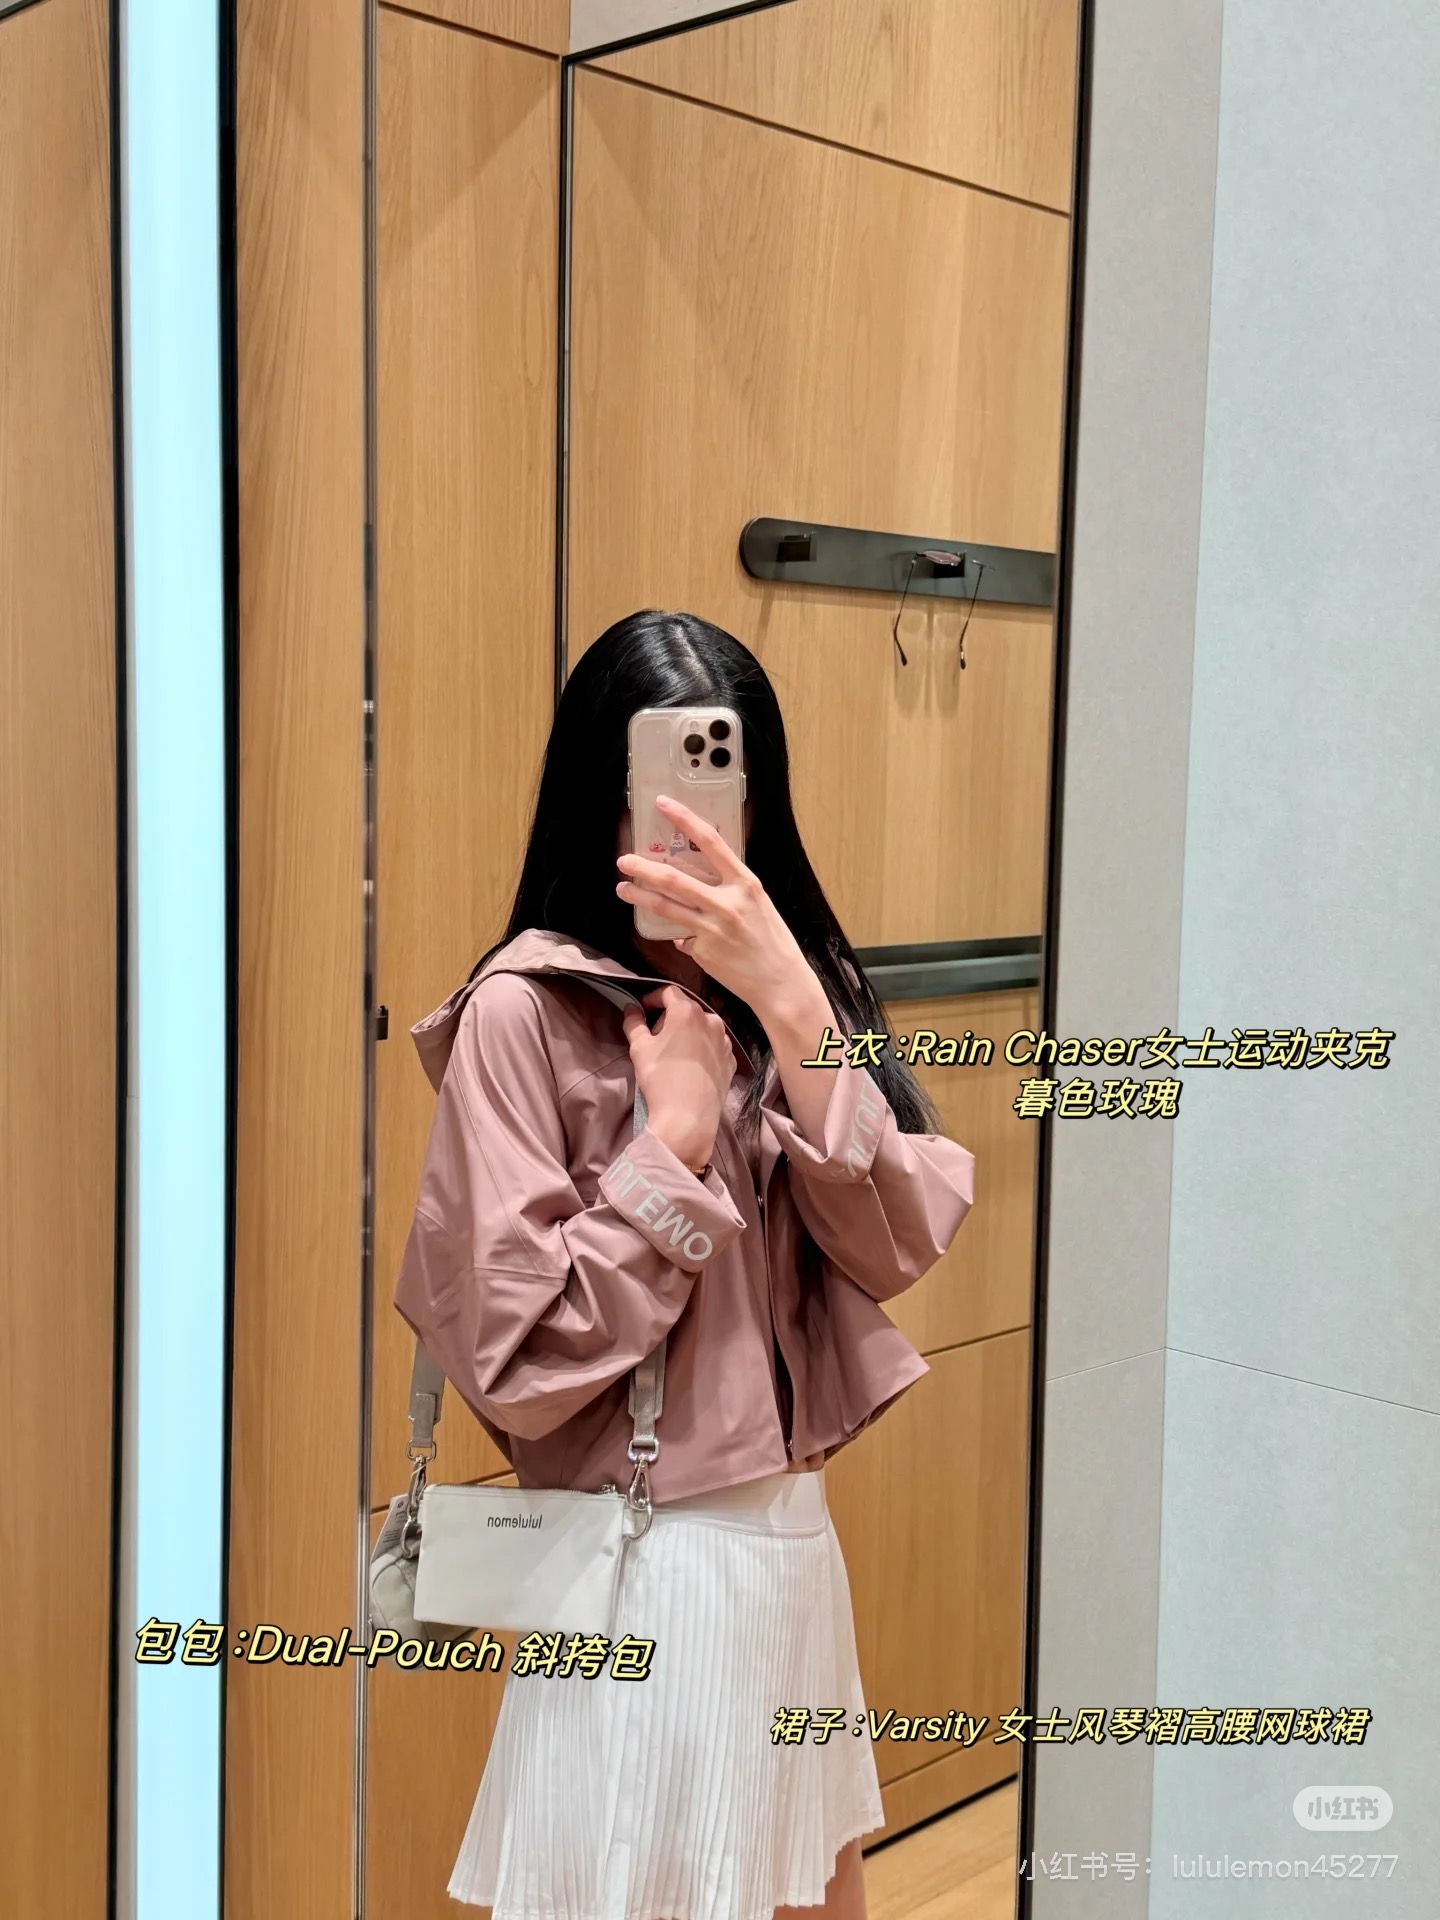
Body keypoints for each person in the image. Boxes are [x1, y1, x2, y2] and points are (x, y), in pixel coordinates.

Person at [393, 609, 976, 1920]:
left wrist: (797, 1004)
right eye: (659, 782)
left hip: (791, 1549)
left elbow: (892, 1244)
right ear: (601, 796)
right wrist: (675, 1144)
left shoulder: (794, 993)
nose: (691, 822)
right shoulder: (523, 1014)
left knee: (820, 1898)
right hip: (643, 1564)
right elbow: (518, 1358)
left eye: (723, 780)